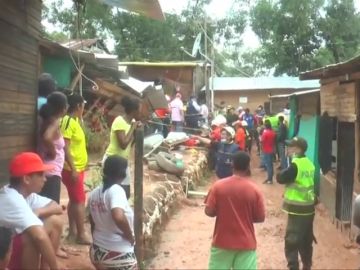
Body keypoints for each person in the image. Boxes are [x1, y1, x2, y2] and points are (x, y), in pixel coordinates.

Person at [0, 152, 63, 270]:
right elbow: (40, 237)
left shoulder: (25, 193)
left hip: (9, 249)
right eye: (41, 175)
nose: (45, 179)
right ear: (26, 179)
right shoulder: (12, 198)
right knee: (32, 236)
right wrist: (56, 267)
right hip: (3, 257)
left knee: (54, 221)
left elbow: (57, 207)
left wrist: (39, 211)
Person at [205, 151, 265, 269]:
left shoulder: (218, 186)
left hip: (222, 241)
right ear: (248, 166)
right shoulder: (254, 190)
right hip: (246, 243)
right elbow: (260, 217)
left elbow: (209, 212)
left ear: (232, 164)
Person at [89, 155, 136, 270]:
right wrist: (130, 236)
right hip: (118, 252)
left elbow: (92, 220)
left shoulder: (94, 193)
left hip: (97, 251)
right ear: (122, 173)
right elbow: (118, 217)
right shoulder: (116, 190)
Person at [276, 137, 316, 270]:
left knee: (291, 241)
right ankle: (307, 265)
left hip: (297, 209)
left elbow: (281, 178)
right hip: (309, 208)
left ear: (298, 149)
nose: (288, 149)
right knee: (306, 238)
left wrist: (280, 171)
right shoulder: (309, 163)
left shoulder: (295, 165)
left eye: (291, 146)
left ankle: (293, 267)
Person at [60, 93, 90, 245]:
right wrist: (73, 168)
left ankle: (72, 231)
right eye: (83, 105)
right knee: (79, 200)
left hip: (78, 167)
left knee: (74, 198)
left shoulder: (76, 121)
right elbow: (65, 145)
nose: (84, 108)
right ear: (78, 105)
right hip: (71, 168)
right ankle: (81, 234)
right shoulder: (68, 121)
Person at [103, 96, 141, 200]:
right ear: (134, 110)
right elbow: (123, 144)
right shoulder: (120, 121)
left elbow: (130, 144)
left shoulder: (131, 122)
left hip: (122, 161)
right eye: (139, 109)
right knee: (112, 191)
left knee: (126, 192)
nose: (140, 112)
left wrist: (137, 131)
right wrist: (133, 127)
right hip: (112, 160)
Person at [37, 92, 68, 203]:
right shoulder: (54, 122)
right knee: (51, 209)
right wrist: (53, 152)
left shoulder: (43, 120)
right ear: (63, 108)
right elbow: (47, 137)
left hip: (45, 169)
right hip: (51, 172)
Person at [261, 120, 276, 184]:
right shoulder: (273, 132)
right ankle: (270, 178)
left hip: (266, 150)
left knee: (268, 165)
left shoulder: (265, 133)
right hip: (272, 149)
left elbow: (262, 141)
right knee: (271, 165)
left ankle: (270, 179)